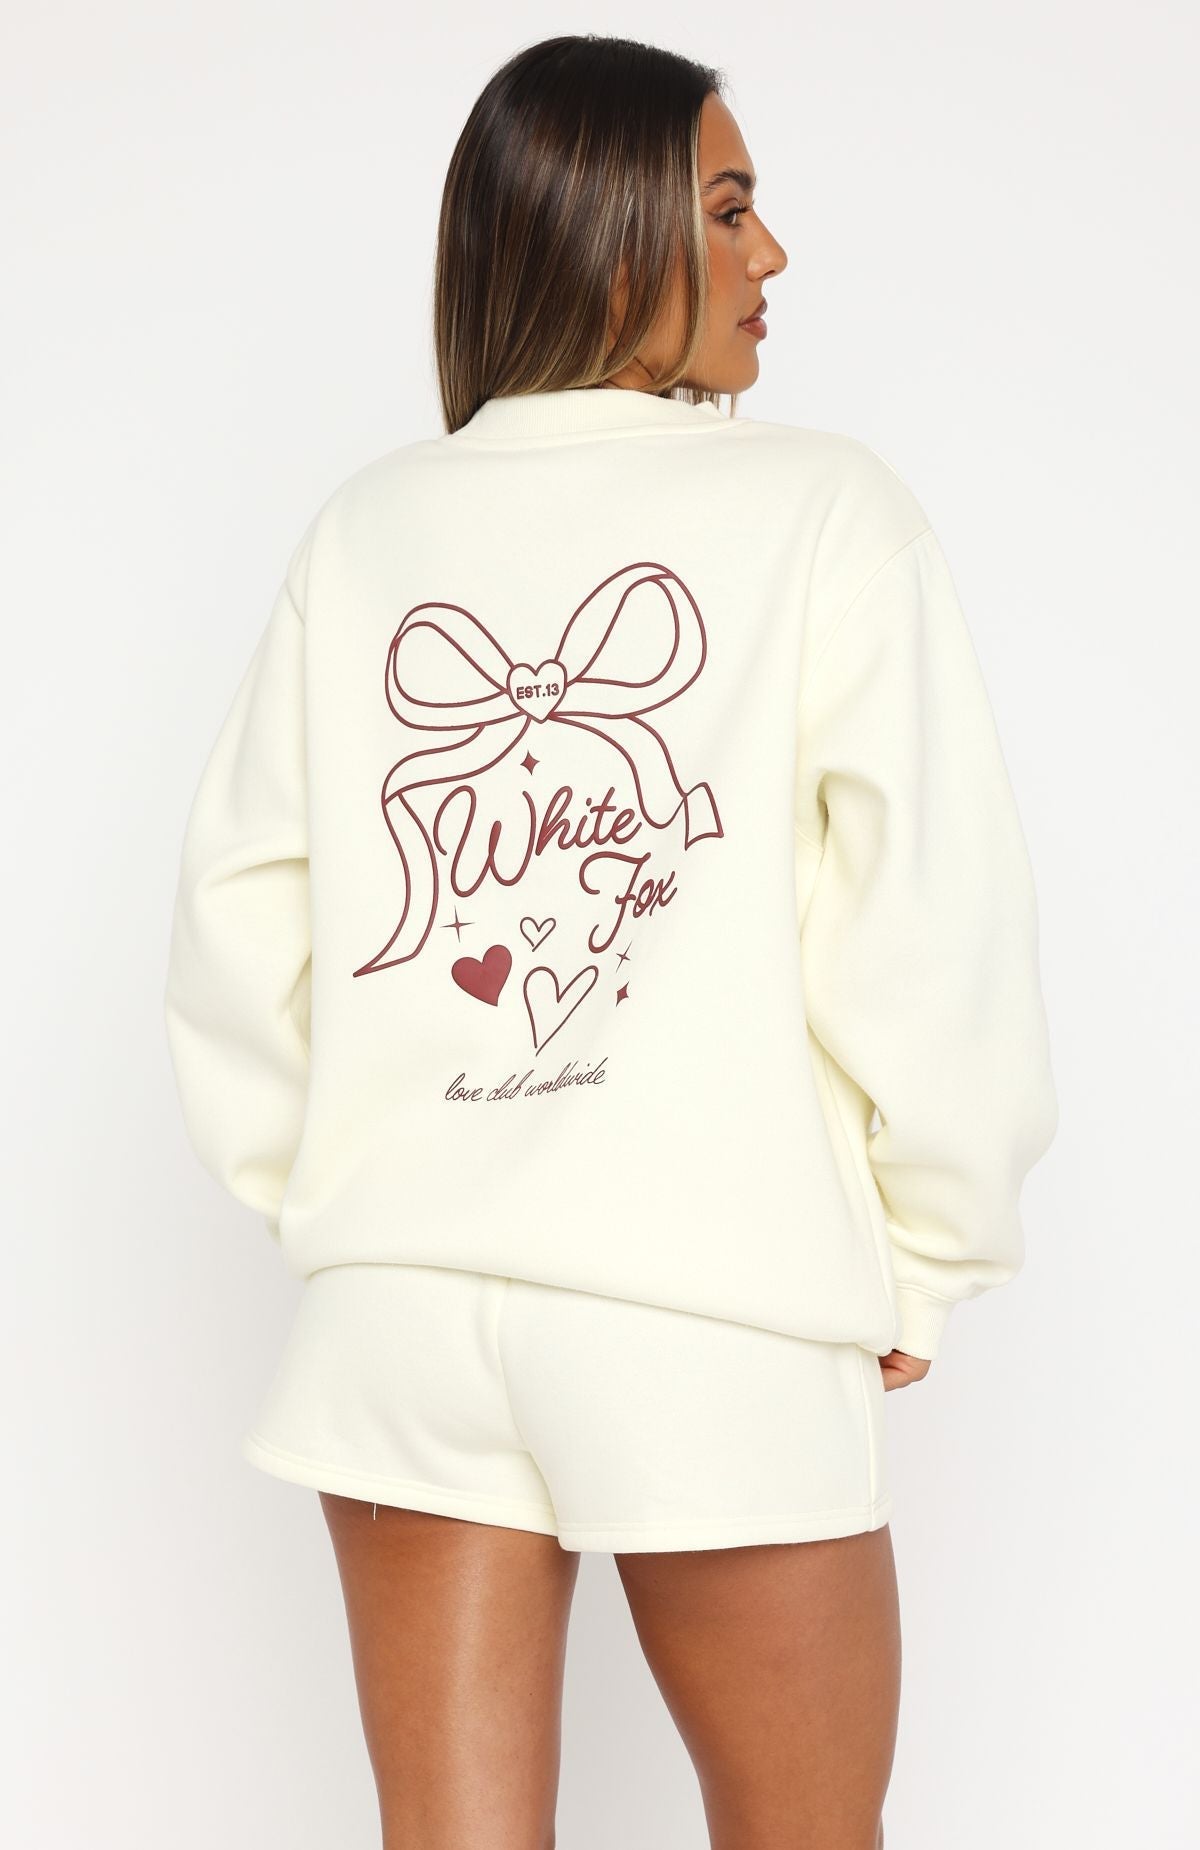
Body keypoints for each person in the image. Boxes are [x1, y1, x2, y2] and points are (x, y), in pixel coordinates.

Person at [163, 33, 1058, 1850]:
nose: (771, 253)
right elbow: (929, 924)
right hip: (708, 1308)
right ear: (608, 224)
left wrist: (357, 1201)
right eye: (728, 208)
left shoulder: (369, 528)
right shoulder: (826, 512)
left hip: (403, 1318)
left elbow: (236, 922)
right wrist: (929, 1247)